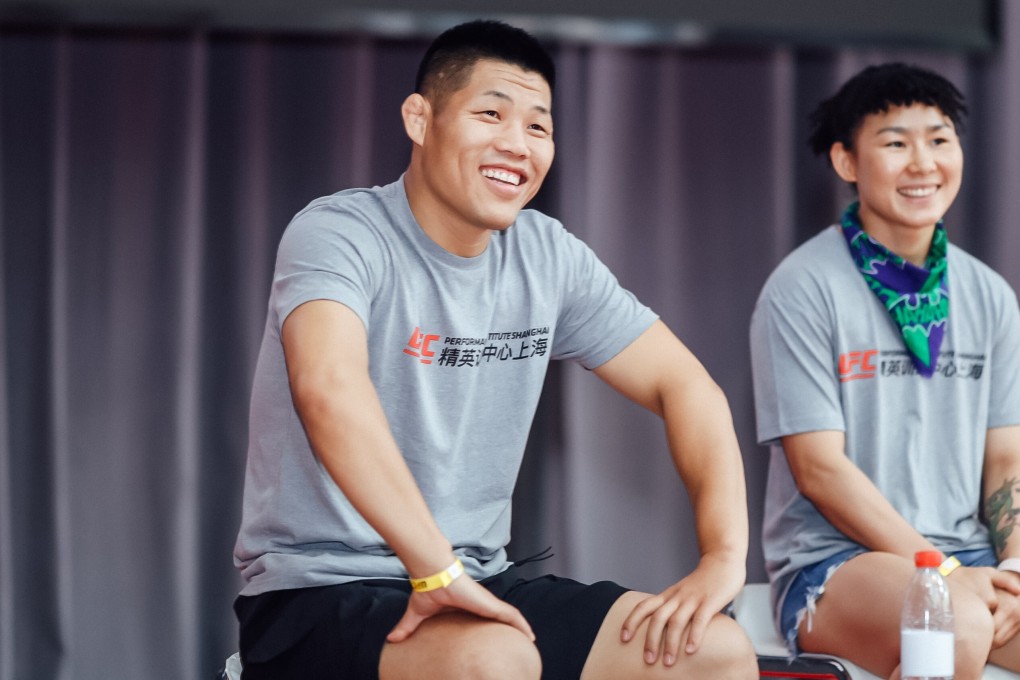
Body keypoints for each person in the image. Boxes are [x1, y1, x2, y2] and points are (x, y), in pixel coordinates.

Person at [232, 18, 757, 680]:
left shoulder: (546, 255)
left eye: (538, 126)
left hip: (476, 581)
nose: (517, 143)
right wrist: (434, 568)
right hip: (317, 590)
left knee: (716, 650)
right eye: (490, 114)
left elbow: (686, 388)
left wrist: (723, 557)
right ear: (420, 119)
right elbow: (327, 389)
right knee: (495, 660)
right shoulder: (340, 232)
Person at [749, 62, 1020, 679]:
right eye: (896, 142)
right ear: (847, 162)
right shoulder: (803, 288)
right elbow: (819, 470)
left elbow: (1006, 457)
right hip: (836, 564)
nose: (923, 163)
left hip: (971, 556)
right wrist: (944, 574)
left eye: (939, 138)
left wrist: (1012, 571)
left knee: (965, 611)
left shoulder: (990, 294)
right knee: (952, 621)